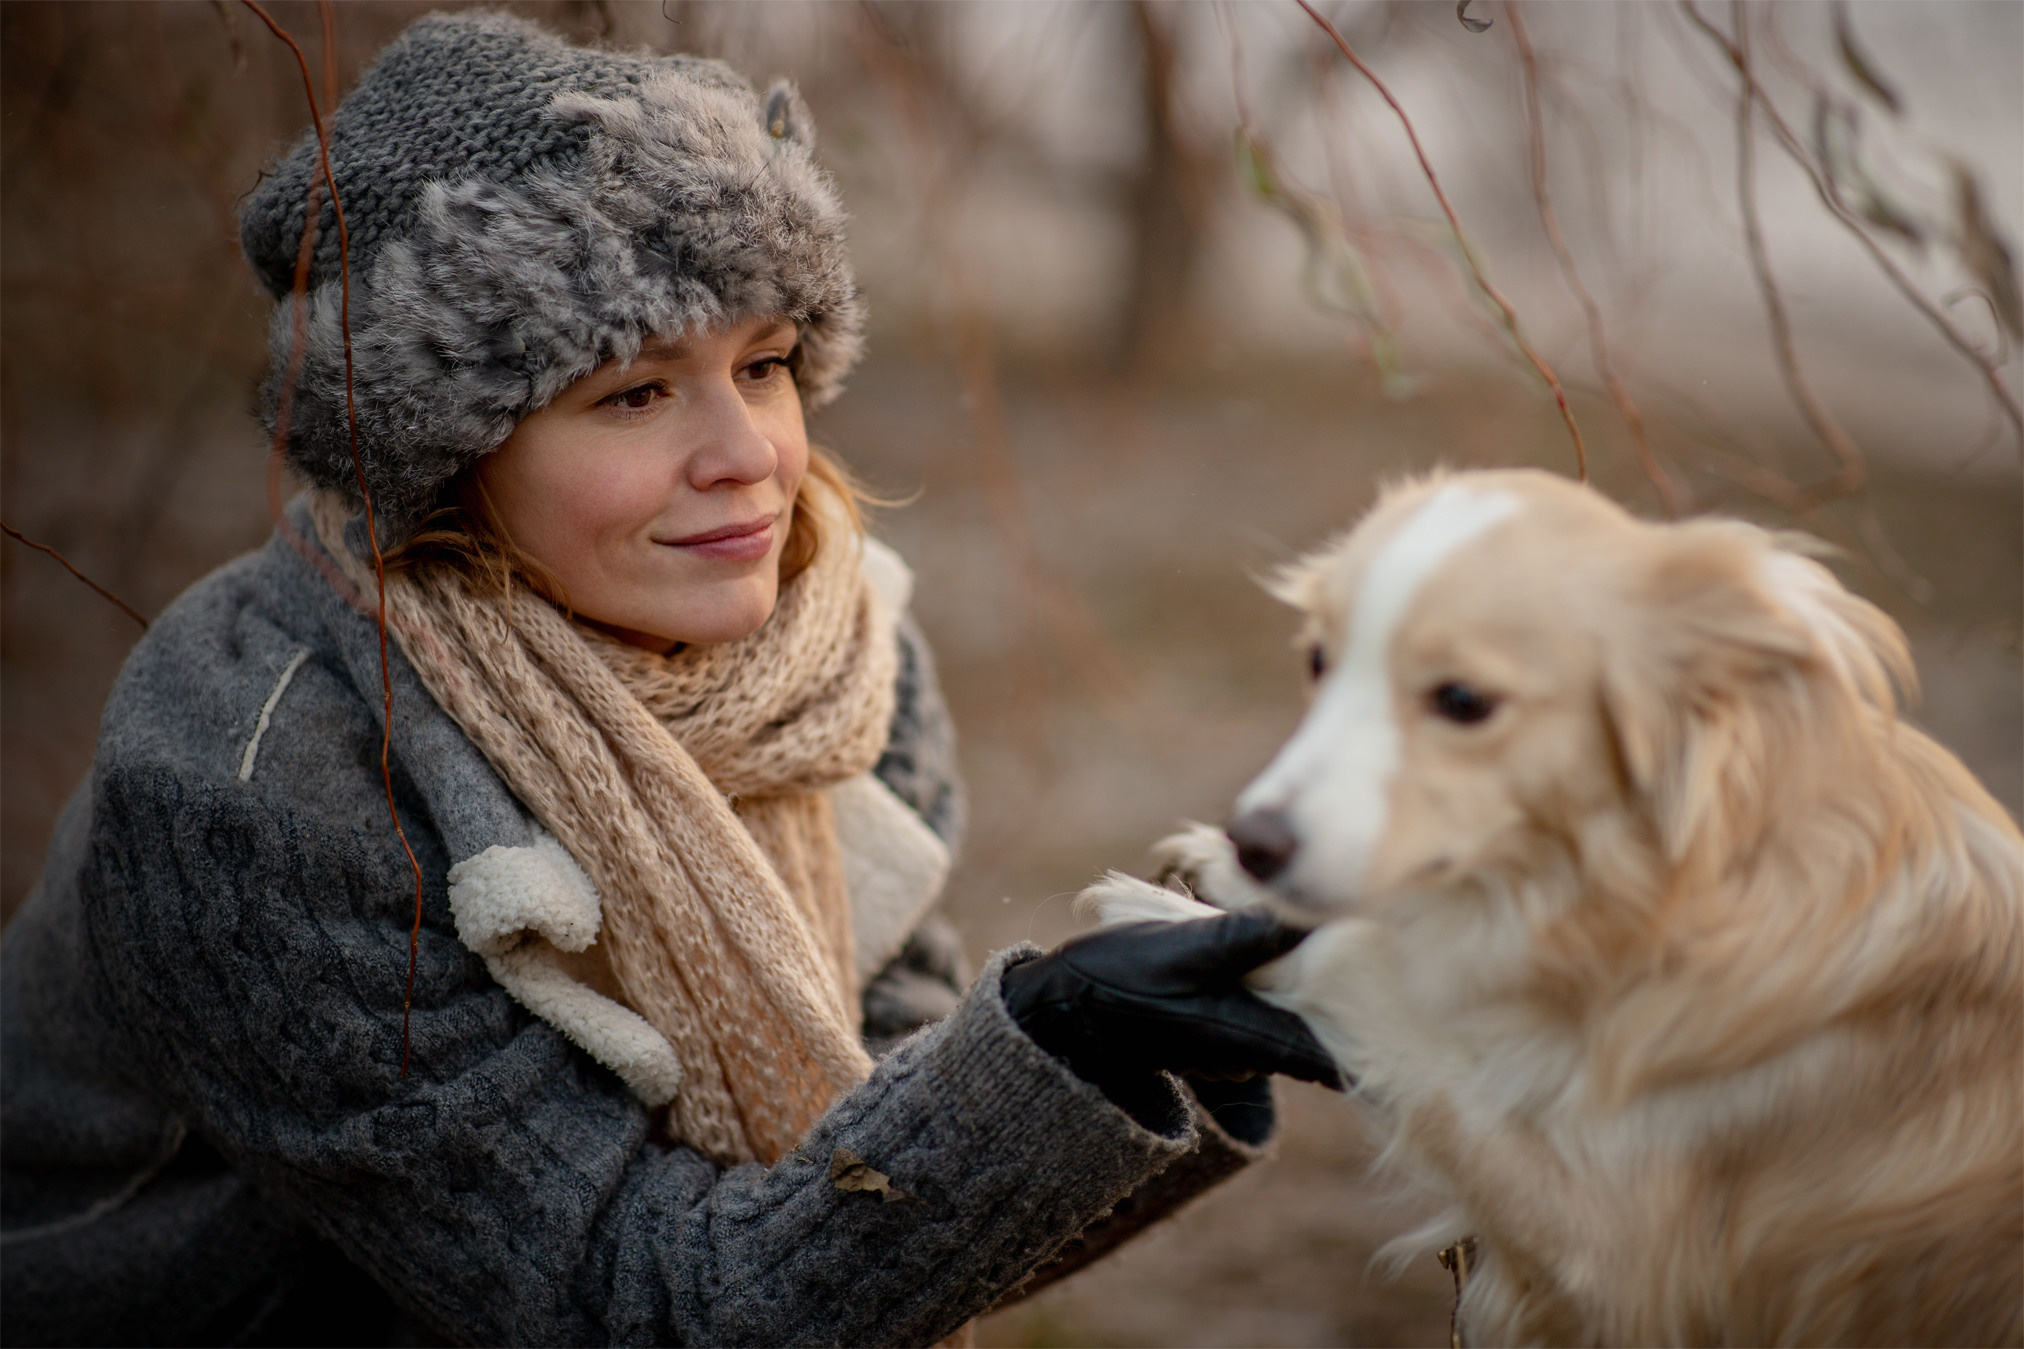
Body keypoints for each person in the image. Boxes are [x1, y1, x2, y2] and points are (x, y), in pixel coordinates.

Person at [0, 14, 1339, 1346]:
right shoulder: (257, 783)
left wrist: (1120, 1042)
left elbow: (867, 1223)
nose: (748, 455)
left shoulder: (833, 664)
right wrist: (1044, 1052)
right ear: (443, 450)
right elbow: (636, 1305)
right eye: (637, 393)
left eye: (762, 365)